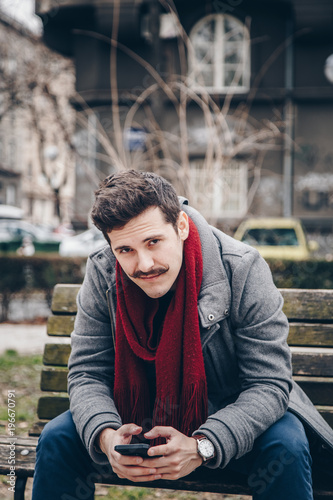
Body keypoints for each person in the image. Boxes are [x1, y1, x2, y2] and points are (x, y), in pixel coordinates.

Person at [32, 170, 333, 500]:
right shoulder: (103, 271)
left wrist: (203, 444)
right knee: (58, 437)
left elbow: (269, 383)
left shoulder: (242, 267)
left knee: (286, 442)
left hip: (228, 421)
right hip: (137, 423)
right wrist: (106, 438)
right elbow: (87, 372)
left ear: (182, 227)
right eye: (125, 250)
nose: (144, 264)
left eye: (153, 242)